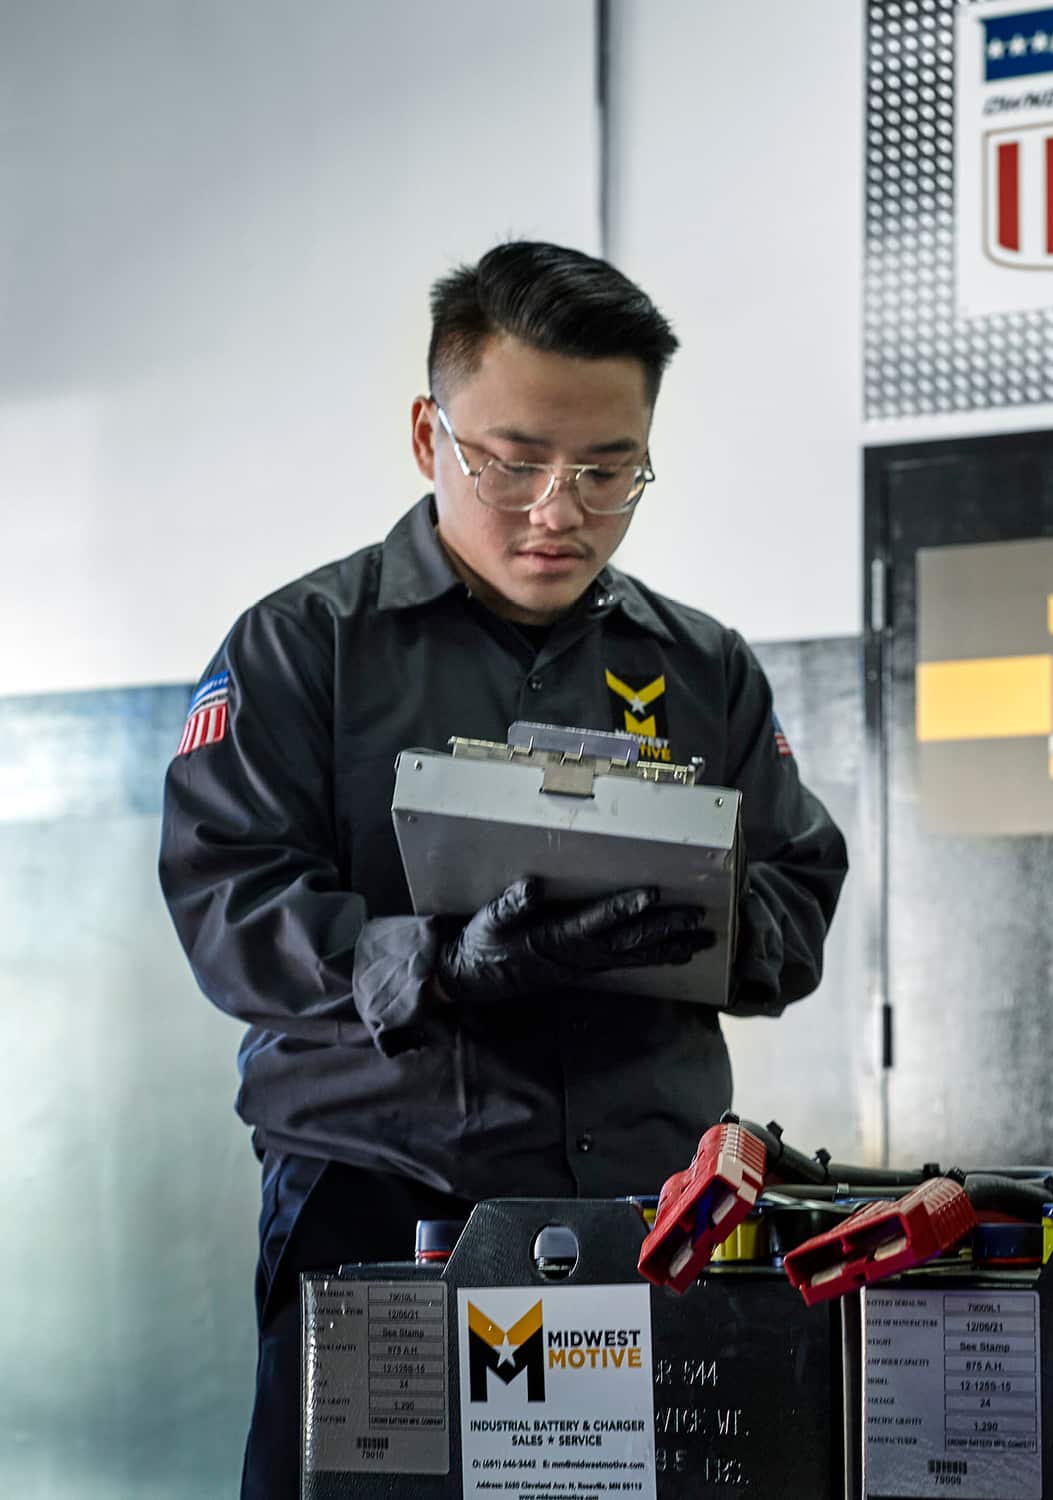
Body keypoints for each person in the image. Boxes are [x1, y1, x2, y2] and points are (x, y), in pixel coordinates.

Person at [159, 242, 848, 1499]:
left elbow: (798, 894)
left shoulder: (703, 668)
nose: (558, 510)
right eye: (515, 461)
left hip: (653, 1222)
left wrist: (688, 923)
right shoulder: (303, 649)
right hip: (383, 1206)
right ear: (429, 434)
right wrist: (437, 962)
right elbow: (228, 905)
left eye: (607, 470)